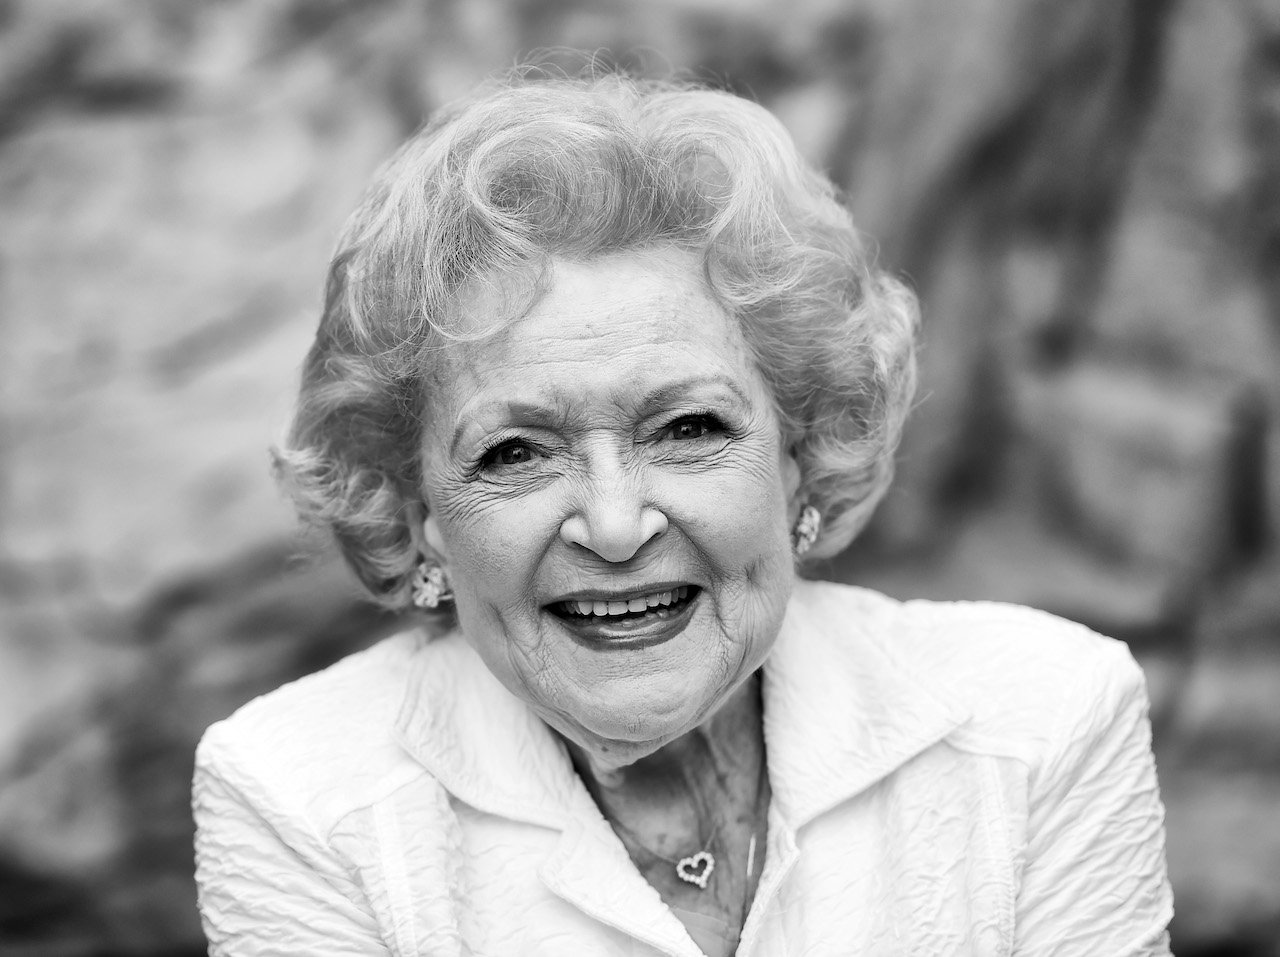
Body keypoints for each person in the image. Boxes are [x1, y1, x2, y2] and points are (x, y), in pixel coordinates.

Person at [192, 71, 1173, 956]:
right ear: (420, 522)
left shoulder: (1037, 720)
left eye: (687, 428)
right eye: (515, 452)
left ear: (800, 460)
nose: (616, 526)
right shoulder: (304, 795)